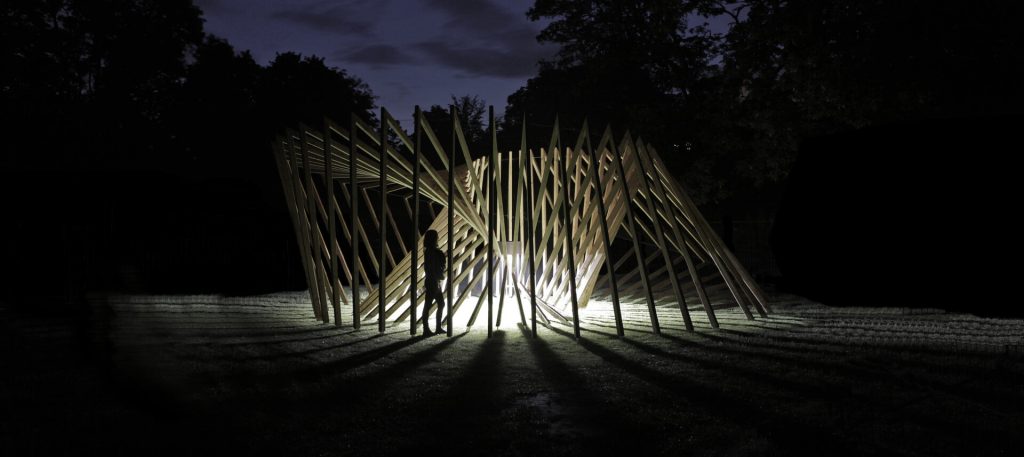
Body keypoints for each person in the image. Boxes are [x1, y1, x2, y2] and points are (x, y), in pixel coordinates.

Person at [422, 230, 447, 334]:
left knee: (439, 304)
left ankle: (435, 328)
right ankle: (427, 329)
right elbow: (434, 266)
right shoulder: (431, 252)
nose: (438, 238)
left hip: (433, 281)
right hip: (432, 281)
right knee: (430, 305)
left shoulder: (429, 251)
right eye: (436, 236)